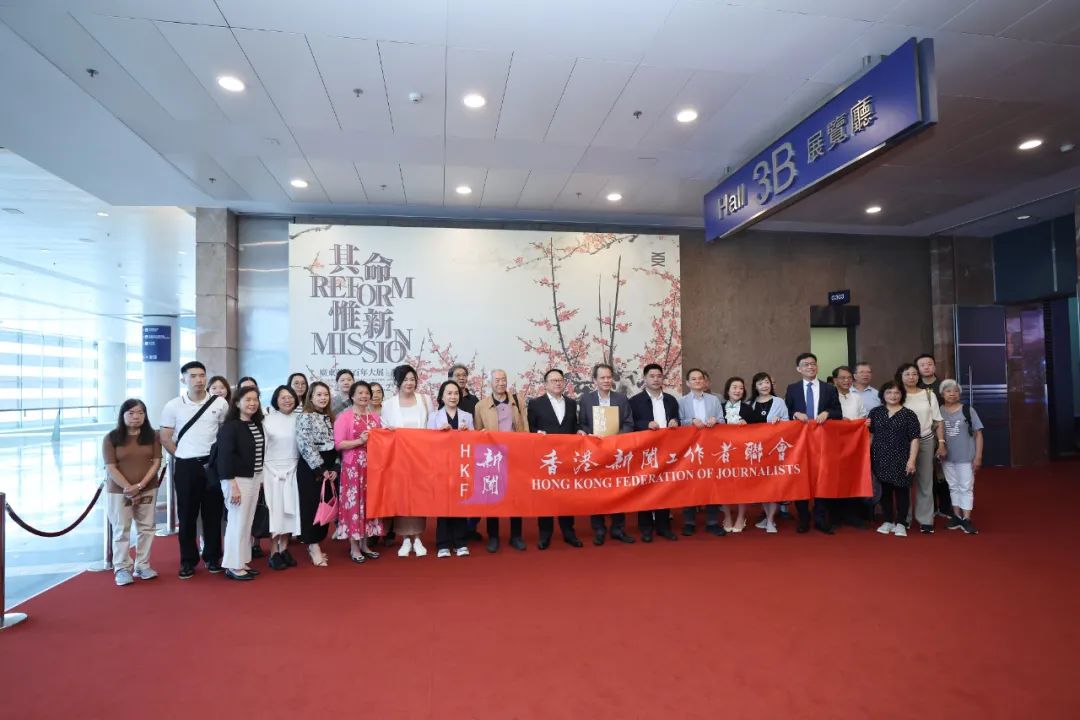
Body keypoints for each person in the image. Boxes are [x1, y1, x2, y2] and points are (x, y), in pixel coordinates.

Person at [159, 361, 228, 579]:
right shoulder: (173, 406)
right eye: (193, 376)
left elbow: (224, 432)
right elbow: (165, 437)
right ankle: (188, 561)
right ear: (184, 379)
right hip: (186, 466)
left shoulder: (220, 403)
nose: (198, 380)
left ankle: (213, 557)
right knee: (187, 515)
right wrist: (181, 454)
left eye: (202, 375)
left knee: (213, 514)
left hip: (212, 465)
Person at [102, 399, 162, 586]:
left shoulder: (152, 436)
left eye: (140, 413)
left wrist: (140, 486)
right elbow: (111, 467)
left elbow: (156, 462)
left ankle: (142, 565)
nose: (136, 417)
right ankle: (121, 567)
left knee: (146, 527)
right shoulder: (111, 438)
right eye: (131, 413)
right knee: (121, 529)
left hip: (148, 487)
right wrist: (129, 488)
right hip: (119, 491)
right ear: (122, 415)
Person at [784, 352, 842, 534]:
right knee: (800, 478)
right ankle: (803, 518)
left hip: (822, 443)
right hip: (800, 443)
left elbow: (838, 412)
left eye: (813, 364)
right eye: (806, 364)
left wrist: (827, 413)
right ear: (798, 369)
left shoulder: (829, 389)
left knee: (821, 479)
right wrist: (795, 414)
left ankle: (820, 518)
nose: (810, 367)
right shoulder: (792, 389)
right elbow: (786, 412)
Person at [577, 363, 635, 545]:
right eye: (602, 377)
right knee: (596, 491)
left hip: (616, 452)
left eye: (609, 377)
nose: (606, 380)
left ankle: (618, 528)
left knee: (618, 490)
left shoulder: (621, 398)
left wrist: (616, 438)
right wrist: (588, 434)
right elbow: (582, 423)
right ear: (594, 380)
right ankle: (599, 529)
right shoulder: (586, 399)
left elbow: (629, 423)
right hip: (595, 451)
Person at [473, 369, 529, 552]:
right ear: (491, 383)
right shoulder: (481, 406)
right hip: (492, 457)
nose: (501, 383)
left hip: (515, 455)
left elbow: (525, 428)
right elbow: (477, 433)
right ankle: (493, 536)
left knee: (516, 496)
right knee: (492, 496)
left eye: (503, 379)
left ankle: (516, 536)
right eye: (497, 380)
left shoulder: (518, 401)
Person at [527, 368, 583, 549]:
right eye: (553, 380)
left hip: (567, 457)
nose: (558, 383)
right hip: (546, 458)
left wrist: (579, 431)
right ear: (545, 384)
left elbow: (574, 426)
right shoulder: (536, 404)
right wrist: (537, 434)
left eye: (560, 380)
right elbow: (530, 428)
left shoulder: (571, 403)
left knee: (567, 495)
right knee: (546, 496)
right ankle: (545, 534)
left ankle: (569, 532)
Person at [215, 386, 266, 581]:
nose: (252, 403)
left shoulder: (256, 424)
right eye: (248, 400)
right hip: (236, 480)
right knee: (237, 522)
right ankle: (232, 565)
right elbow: (224, 458)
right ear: (237, 403)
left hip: (254, 478)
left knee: (246, 522)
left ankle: (242, 561)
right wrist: (232, 485)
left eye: (255, 399)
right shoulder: (230, 427)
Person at [381, 364, 431, 557]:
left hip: (421, 458)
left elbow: (431, 426)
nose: (409, 383)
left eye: (412, 379)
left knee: (419, 497)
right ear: (398, 382)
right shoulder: (388, 404)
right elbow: (384, 431)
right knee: (402, 497)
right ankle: (404, 538)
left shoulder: (425, 400)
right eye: (405, 380)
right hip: (399, 458)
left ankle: (417, 537)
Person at [629, 363, 681, 542]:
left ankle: (663, 526)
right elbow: (630, 424)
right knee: (644, 488)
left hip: (666, 450)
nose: (656, 379)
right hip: (645, 451)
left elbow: (677, 419)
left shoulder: (671, 400)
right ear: (644, 379)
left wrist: (675, 421)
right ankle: (645, 528)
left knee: (663, 488)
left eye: (659, 376)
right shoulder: (635, 401)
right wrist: (645, 425)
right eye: (652, 376)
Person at [335, 381, 385, 563]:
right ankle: (354, 547)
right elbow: (339, 444)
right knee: (354, 505)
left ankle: (365, 545)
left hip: (372, 468)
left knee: (369, 505)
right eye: (360, 393)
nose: (364, 396)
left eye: (367, 393)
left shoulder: (374, 417)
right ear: (352, 396)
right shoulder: (344, 417)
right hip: (353, 469)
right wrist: (359, 441)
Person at [897, 362, 946, 534]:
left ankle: (926, 519)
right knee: (904, 481)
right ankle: (905, 518)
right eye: (907, 374)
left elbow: (938, 420)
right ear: (901, 376)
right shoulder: (897, 394)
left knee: (925, 481)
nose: (911, 377)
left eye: (914, 374)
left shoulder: (928, 394)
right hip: (902, 443)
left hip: (925, 440)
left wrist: (941, 442)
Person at [428, 380, 475, 558]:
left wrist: (467, 433)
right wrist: (438, 433)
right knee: (443, 504)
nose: (453, 396)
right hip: (441, 466)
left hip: (461, 466)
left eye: (456, 393)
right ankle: (443, 543)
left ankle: (461, 542)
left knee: (460, 504)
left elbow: (473, 442)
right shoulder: (434, 416)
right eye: (449, 393)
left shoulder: (467, 416)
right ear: (442, 396)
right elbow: (427, 442)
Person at [677, 368, 726, 537]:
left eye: (700, 378)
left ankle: (712, 522)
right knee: (690, 485)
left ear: (705, 382)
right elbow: (678, 422)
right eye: (693, 379)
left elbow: (722, 420)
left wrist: (716, 420)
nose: (697, 381)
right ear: (687, 383)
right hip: (691, 450)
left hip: (711, 448)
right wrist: (691, 421)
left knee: (712, 484)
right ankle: (689, 522)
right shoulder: (682, 401)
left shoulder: (714, 400)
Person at [868, 381, 920, 537]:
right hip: (880, 457)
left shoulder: (909, 414)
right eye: (889, 392)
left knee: (902, 491)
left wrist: (912, 460)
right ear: (883, 395)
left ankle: (901, 523)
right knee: (885, 491)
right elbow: (870, 435)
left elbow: (915, 439)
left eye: (897, 392)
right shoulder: (875, 412)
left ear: (902, 395)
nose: (893, 396)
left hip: (902, 458)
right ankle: (888, 520)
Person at [296, 381, 338, 566]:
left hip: (329, 467)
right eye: (319, 395)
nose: (323, 398)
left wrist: (335, 468)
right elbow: (305, 445)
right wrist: (321, 469)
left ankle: (317, 542)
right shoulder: (305, 417)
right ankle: (313, 546)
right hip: (312, 469)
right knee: (312, 506)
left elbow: (337, 444)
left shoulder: (330, 417)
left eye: (326, 394)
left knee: (325, 506)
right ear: (311, 397)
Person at [746, 372, 789, 533]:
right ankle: (767, 517)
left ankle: (771, 520)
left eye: (766, 382)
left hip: (774, 449)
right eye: (760, 383)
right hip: (757, 451)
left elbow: (788, 423)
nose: (764, 386)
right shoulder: (749, 404)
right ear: (755, 387)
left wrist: (780, 421)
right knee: (763, 486)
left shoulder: (779, 402)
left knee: (774, 485)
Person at [263, 386, 301, 570]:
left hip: (293, 469)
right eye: (283, 397)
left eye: (290, 397)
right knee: (275, 512)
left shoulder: (300, 419)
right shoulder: (267, 420)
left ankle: (284, 548)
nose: (287, 400)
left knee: (289, 511)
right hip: (271, 471)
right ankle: (273, 552)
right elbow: (261, 448)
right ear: (276, 400)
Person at [939, 379, 983, 535]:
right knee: (953, 486)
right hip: (947, 457)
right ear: (942, 394)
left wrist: (978, 456)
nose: (952, 394)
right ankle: (957, 516)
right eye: (948, 391)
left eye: (956, 391)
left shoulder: (967, 410)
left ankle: (967, 519)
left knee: (966, 487)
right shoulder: (939, 410)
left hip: (966, 456)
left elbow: (978, 434)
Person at [915, 352, 955, 521]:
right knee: (926, 472)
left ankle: (946, 506)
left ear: (935, 366)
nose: (926, 367)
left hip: (943, 430)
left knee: (944, 470)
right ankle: (930, 507)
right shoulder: (914, 386)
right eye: (922, 365)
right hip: (923, 433)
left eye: (930, 364)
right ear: (917, 368)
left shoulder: (943, 385)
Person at [449, 364, 482, 541]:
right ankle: (456, 528)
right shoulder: (445, 397)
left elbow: (477, 424)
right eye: (457, 375)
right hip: (450, 454)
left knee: (474, 490)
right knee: (455, 491)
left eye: (464, 375)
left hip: (470, 452)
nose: (461, 378)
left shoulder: (474, 400)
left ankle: (471, 527)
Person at [720, 376, 753, 532]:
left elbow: (759, 430)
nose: (738, 390)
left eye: (741, 388)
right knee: (723, 485)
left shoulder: (748, 409)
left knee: (742, 485)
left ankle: (741, 517)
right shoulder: (719, 407)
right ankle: (727, 516)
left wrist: (748, 425)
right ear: (728, 390)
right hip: (722, 452)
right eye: (734, 387)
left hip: (742, 452)